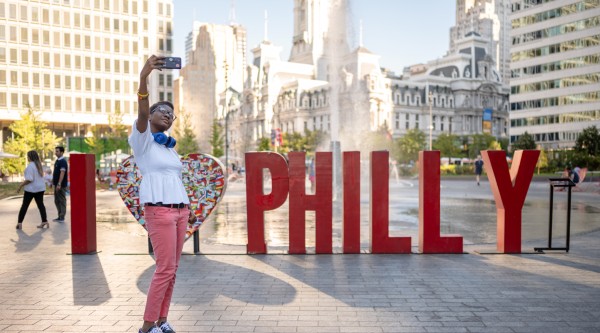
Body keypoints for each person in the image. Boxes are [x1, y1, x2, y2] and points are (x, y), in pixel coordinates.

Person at [131, 55, 196, 333]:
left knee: (172, 270)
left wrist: (187, 209)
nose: (168, 115)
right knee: (164, 269)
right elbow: (143, 111)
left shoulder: (169, 148)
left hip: (180, 211)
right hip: (159, 211)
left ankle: (162, 321)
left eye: (172, 114)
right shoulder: (142, 140)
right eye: (163, 111)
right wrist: (144, 78)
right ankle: (146, 328)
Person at [16, 151, 48, 229]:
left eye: (28, 156)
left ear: (30, 157)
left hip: (31, 190)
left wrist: (20, 185)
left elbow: (29, 179)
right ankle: (44, 221)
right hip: (40, 189)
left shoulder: (30, 166)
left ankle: (19, 223)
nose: (27, 157)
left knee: (24, 206)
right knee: (41, 205)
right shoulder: (39, 165)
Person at [52, 146, 68, 222]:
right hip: (56, 184)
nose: (56, 152)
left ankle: (62, 216)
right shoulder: (57, 161)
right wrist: (53, 182)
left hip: (61, 185)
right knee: (56, 200)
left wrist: (59, 184)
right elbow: (55, 173)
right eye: (56, 151)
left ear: (61, 152)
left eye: (57, 151)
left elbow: (62, 173)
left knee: (61, 200)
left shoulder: (63, 162)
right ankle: (59, 215)